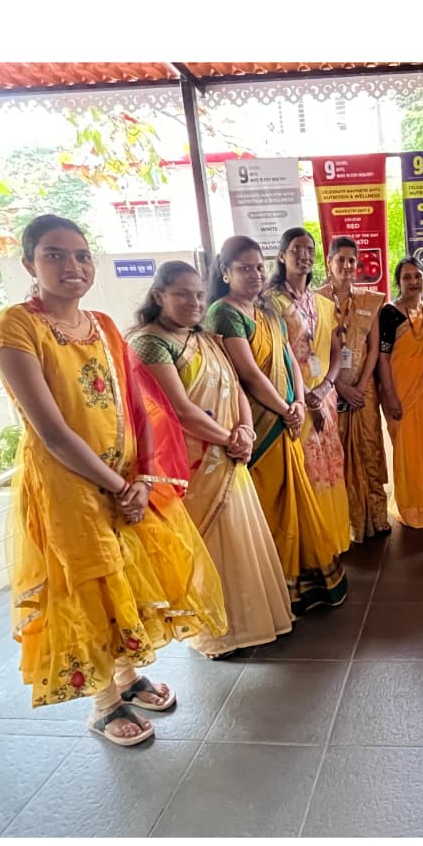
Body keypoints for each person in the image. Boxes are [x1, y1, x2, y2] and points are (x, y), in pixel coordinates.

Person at [0, 215, 226, 747]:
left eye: (81, 255)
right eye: (54, 255)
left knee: (124, 578)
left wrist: (142, 476)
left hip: (124, 478)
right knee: (88, 586)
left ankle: (126, 676)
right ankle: (103, 703)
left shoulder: (103, 325)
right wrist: (119, 488)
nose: (71, 266)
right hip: (66, 485)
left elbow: (139, 406)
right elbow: (52, 432)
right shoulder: (16, 327)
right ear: (29, 264)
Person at [128, 261, 294, 657]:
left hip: (230, 455)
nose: (194, 302)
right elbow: (179, 409)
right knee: (211, 545)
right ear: (159, 296)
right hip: (191, 464)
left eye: (199, 294)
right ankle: (217, 634)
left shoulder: (207, 339)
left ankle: (256, 622)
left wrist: (246, 432)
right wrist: (230, 439)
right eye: (182, 294)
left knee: (241, 539)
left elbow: (236, 389)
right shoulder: (149, 343)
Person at [203, 236, 347, 615]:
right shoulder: (224, 313)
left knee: (292, 502)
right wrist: (286, 409)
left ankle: (300, 584)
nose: (254, 274)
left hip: (285, 416)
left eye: (258, 267)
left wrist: (297, 402)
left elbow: (289, 361)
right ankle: (271, 590)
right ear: (225, 273)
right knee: (268, 506)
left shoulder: (266, 312)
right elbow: (249, 374)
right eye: (244, 268)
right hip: (257, 422)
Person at [265, 227, 351, 554]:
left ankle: (334, 539)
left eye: (309, 250)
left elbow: (338, 351)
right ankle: (311, 547)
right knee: (305, 468)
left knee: (331, 464)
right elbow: (277, 355)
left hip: (325, 396)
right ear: (282, 256)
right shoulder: (270, 303)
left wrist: (327, 386)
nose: (304, 255)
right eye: (296, 249)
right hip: (292, 401)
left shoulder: (324, 304)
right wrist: (306, 398)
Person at [317, 236, 390, 542]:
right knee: (337, 452)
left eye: (351, 260)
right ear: (329, 263)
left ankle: (376, 518)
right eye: (341, 260)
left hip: (364, 388)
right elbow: (314, 349)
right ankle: (345, 523)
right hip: (329, 388)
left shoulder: (370, 301)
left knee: (369, 447)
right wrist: (340, 386)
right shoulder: (315, 301)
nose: (347, 266)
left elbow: (374, 348)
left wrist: (360, 385)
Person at [378, 257, 423, 528]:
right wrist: (390, 395)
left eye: (417, 276)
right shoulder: (389, 313)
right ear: (398, 282)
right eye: (407, 277)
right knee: (406, 452)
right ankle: (411, 507)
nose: (413, 281)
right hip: (400, 393)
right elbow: (382, 358)